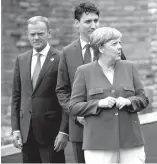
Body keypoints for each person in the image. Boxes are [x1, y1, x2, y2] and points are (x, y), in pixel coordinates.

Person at [56, 2, 126, 163]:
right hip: (80, 128)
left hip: (111, 125)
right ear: (76, 24)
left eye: (96, 20)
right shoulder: (67, 53)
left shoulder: (112, 48)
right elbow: (62, 90)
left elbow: (124, 80)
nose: (93, 25)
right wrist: (77, 113)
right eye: (88, 21)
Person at [69, 27, 148, 164]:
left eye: (120, 43)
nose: (120, 47)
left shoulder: (130, 67)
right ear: (101, 48)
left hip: (130, 141)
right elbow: (74, 107)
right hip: (98, 144)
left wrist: (129, 101)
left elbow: (143, 99)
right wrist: (99, 103)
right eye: (114, 44)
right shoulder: (84, 72)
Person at [11, 16, 68, 163]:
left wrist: (63, 131)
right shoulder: (21, 59)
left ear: (49, 33)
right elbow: (16, 96)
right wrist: (16, 129)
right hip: (26, 133)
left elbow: (66, 98)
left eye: (40, 33)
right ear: (28, 35)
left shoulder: (61, 58)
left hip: (51, 133)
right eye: (32, 34)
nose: (36, 37)